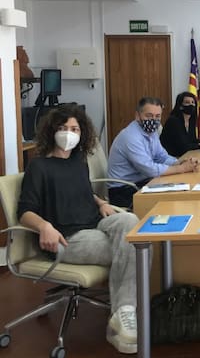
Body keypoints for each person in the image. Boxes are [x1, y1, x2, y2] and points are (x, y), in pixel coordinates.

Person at [17, 103, 140, 354]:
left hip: (93, 223)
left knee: (131, 222)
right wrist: (44, 226)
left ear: (82, 133)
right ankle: (124, 315)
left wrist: (101, 202)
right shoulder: (38, 166)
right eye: (63, 127)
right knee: (135, 246)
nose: (69, 133)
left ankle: (122, 313)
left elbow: (82, 191)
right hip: (65, 238)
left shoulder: (79, 162)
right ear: (52, 130)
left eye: (74, 129)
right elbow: (24, 212)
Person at [107, 97, 200, 208]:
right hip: (123, 190)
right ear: (137, 116)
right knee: (172, 202)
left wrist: (180, 162)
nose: (153, 120)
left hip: (144, 182)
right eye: (149, 116)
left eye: (157, 116)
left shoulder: (151, 132)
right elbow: (149, 169)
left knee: (183, 191)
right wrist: (182, 168)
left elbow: (161, 156)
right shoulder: (131, 136)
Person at [160, 91, 200, 157]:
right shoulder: (173, 121)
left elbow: (192, 140)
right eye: (187, 102)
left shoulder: (191, 120)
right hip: (171, 157)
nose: (191, 105)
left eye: (193, 102)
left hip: (184, 155)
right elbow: (183, 147)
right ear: (180, 106)